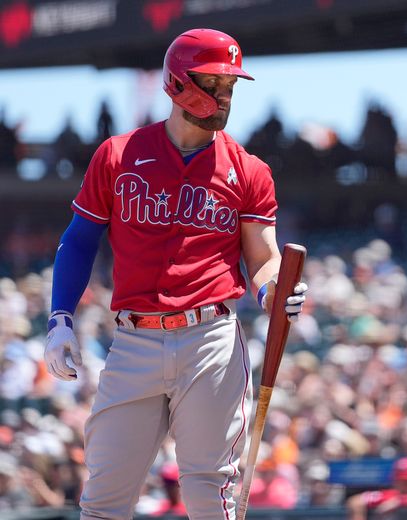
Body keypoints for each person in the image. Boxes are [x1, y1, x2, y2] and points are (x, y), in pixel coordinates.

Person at [44, 28, 307, 519]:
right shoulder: (118, 155)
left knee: (211, 493)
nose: (225, 95)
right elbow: (79, 239)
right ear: (178, 82)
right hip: (133, 339)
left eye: (230, 86)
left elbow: (263, 256)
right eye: (214, 83)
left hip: (210, 339)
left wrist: (274, 289)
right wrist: (60, 316)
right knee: (103, 501)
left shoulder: (248, 169)